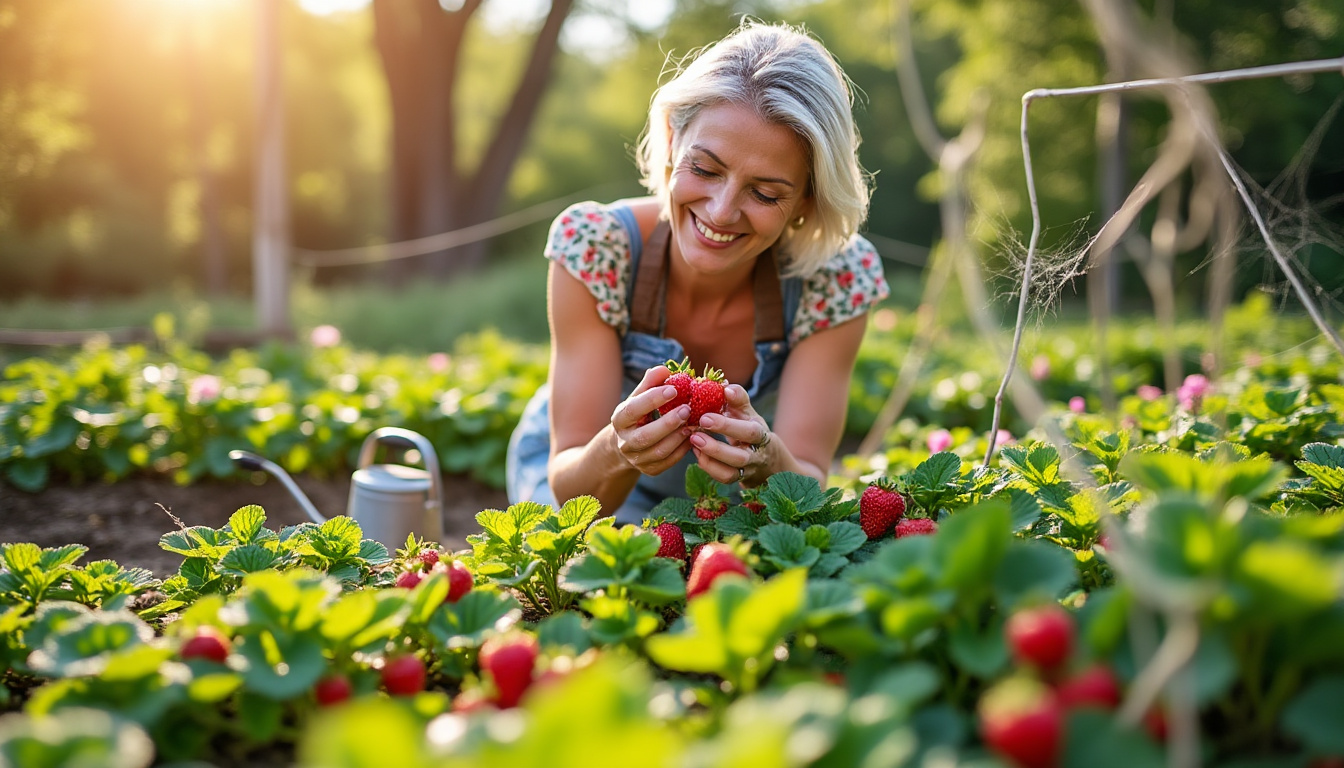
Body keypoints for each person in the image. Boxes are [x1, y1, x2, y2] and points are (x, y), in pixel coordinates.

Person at [506, 19, 888, 525]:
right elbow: (572, 481)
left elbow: (807, 478)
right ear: (671, 142)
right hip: (591, 482)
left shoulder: (837, 278)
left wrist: (766, 459)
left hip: (735, 498)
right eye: (705, 170)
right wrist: (621, 449)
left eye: (766, 193)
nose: (721, 211)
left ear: (806, 202)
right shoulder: (597, 245)